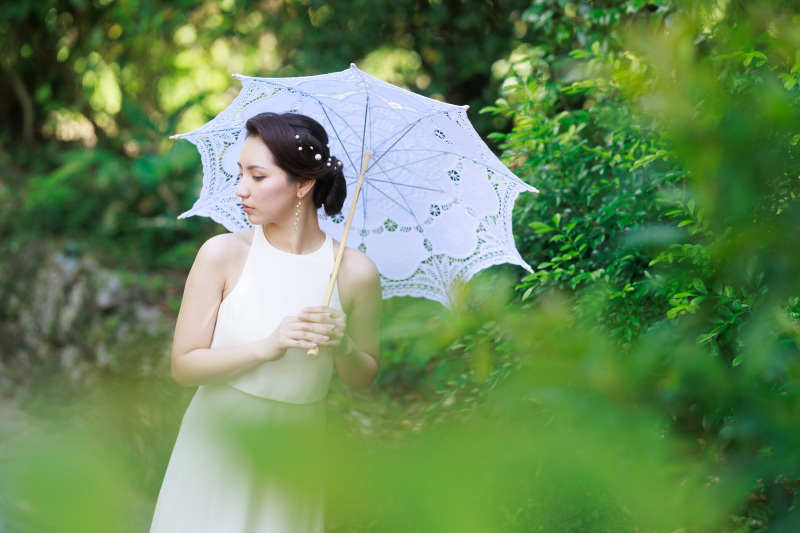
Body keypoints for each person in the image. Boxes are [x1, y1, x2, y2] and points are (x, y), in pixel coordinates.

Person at [149, 112, 381, 533]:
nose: (241, 190)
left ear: (303, 185)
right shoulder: (222, 254)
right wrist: (268, 346)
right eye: (241, 173)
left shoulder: (355, 272)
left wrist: (344, 345)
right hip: (219, 440)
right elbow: (183, 367)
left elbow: (363, 376)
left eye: (257, 176)